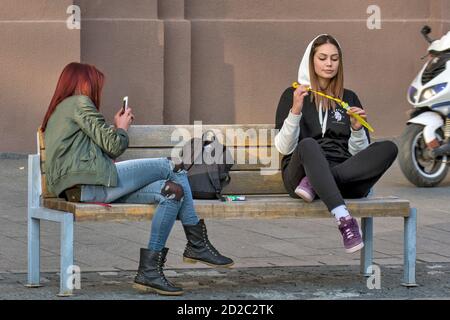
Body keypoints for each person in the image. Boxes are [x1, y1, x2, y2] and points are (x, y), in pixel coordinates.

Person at [42, 62, 233, 296]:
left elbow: (98, 152)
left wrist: (114, 127)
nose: (96, 90)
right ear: (82, 83)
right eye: (95, 84)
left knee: (172, 192)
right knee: (173, 165)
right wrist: (122, 128)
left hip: (85, 189)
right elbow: (114, 146)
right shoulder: (80, 103)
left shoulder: (60, 111)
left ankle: (149, 273)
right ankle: (196, 244)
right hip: (92, 185)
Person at [274, 35, 398, 253]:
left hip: (344, 177)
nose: (329, 64)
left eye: (334, 58)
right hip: (299, 173)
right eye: (322, 58)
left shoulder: (349, 97)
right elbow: (284, 148)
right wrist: (295, 110)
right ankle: (345, 221)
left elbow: (359, 154)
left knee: (389, 147)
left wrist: (357, 129)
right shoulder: (293, 95)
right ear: (311, 61)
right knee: (308, 145)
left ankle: (314, 183)